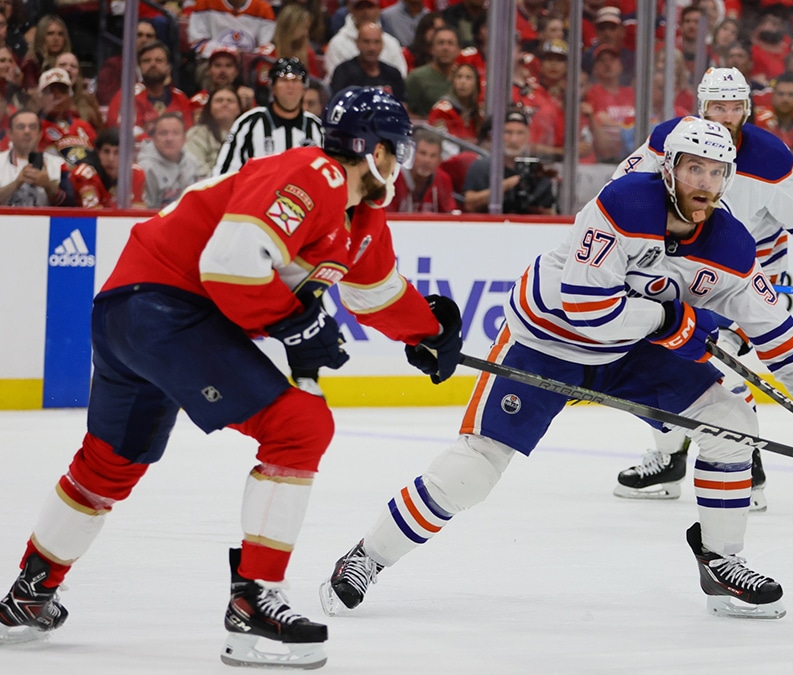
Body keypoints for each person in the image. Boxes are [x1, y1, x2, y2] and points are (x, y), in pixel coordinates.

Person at [318, 116, 793, 623]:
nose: (705, 180)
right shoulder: (624, 204)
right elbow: (586, 307)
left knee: (733, 425)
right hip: (548, 338)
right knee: (475, 469)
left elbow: (780, 335)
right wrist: (671, 319)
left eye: (717, 172)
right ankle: (367, 555)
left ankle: (720, 563)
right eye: (693, 167)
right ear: (669, 169)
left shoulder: (732, 246)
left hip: (630, 349)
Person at [0, 87, 463, 669]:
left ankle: (29, 594)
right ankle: (254, 601)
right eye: (396, 148)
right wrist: (295, 324)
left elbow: (376, 294)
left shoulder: (359, 218)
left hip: (126, 312)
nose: (400, 160)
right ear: (371, 149)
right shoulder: (312, 174)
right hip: (164, 308)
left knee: (110, 462)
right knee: (300, 425)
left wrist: (428, 333)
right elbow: (231, 264)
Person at [609, 68, 793, 510]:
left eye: (735, 107)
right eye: (717, 107)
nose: (727, 116)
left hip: (743, 277)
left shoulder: (767, 158)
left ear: (747, 108)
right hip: (680, 274)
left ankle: (745, 463)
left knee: (718, 367)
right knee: (652, 360)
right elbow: (619, 190)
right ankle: (671, 456)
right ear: (700, 108)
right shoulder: (669, 142)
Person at [212, 57, 324, 177]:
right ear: (272, 87)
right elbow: (224, 172)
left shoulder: (317, 127)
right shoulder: (249, 123)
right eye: (283, 80)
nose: (290, 86)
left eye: (296, 80)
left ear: (304, 88)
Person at [463, 108, 556, 215]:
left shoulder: (536, 170)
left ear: (528, 136)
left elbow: (551, 212)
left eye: (520, 133)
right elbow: (469, 204)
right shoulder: (482, 166)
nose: (513, 140)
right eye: (508, 132)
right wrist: (506, 186)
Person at [0, 109, 72, 206]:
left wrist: (48, 186)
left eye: (32, 127)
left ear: (40, 134)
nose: (27, 131)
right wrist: (16, 184)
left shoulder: (58, 164)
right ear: (10, 134)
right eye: (21, 127)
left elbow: (71, 206)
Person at [68, 127, 147, 209]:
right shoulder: (85, 175)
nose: (111, 159)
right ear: (98, 152)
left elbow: (138, 212)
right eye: (106, 151)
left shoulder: (135, 173)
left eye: (117, 152)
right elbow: (94, 216)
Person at [139, 112, 203, 209]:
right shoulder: (145, 168)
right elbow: (146, 211)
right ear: (154, 138)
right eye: (163, 133)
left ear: (184, 138)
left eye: (176, 133)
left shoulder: (192, 161)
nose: (169, 139)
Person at [329, 21, 406, 99]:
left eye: (376, 42)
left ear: (382, 45)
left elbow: (402, 104)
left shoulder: (393, 74)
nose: (371, 48)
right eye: (366, 42)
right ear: (357, 43)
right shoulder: (343, 72)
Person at [391, 128, 457, 213]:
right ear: (411, 154)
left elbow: (450, 215)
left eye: (433, 155)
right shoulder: (394, 177)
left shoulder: (443, 179)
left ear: (439, 160)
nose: (427, 160)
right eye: (423, 153)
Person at [187, 85, 246, 177]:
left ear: (239, 109)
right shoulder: (197, 133)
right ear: (209, 108)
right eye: (219, 100)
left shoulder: (248, 133)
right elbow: (196, 168)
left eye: (230, 101)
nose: (225, 104)